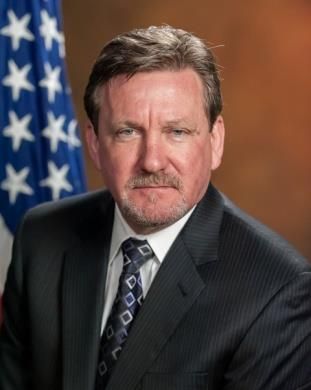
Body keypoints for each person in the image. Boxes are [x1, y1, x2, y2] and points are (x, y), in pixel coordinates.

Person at [0, 25, 310, 390]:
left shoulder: (277, 290)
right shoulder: (42, 238)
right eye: (127, 132)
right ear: (95, 144)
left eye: (177, 131)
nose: (152, 161)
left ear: (215, 140)